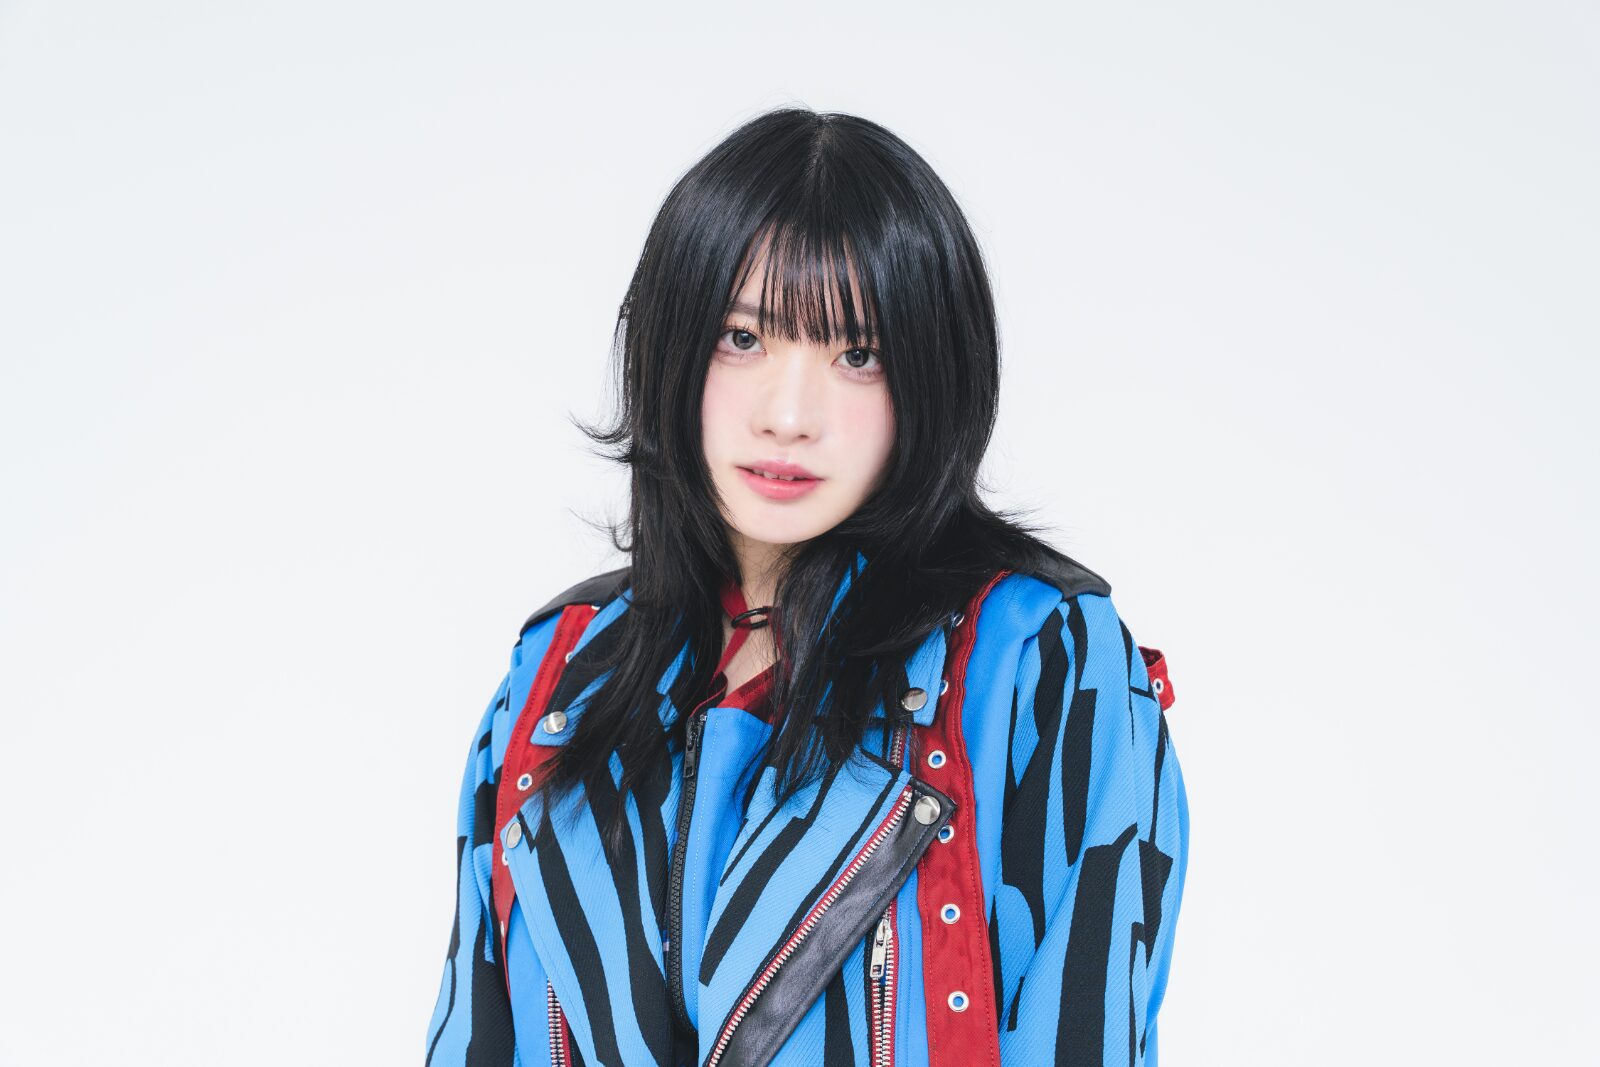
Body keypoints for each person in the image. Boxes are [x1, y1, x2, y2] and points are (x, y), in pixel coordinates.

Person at [425, 106, 1190, 1067]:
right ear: (670, 345)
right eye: (743, 337)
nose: (789, 415)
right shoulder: (559, 675)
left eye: (856, 355)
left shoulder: (1040, 663)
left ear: (932, 379)